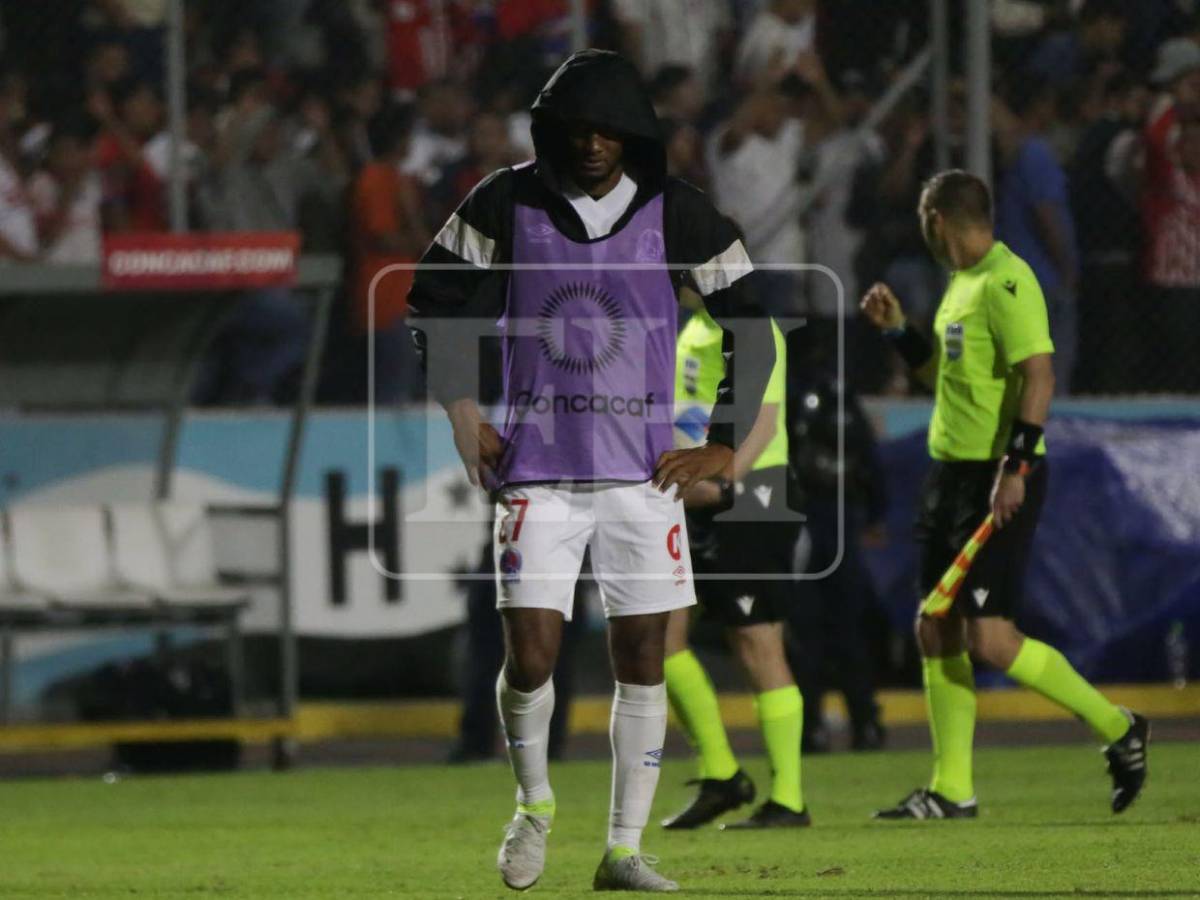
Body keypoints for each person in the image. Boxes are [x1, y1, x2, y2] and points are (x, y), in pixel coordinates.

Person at [408, 49, 774, 893]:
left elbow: (752, 323)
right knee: (532, 656)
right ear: (553, 132)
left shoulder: (678, 213)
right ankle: (533, 807)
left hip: (645, 480)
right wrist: (465, 414)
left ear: (635, 135)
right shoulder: (507, 199)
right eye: (579, 130)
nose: (595, 145)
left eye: (610, 130)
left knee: (642, 657)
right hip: (537, 472)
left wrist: (724, 441)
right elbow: (430, 301)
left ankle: (623, 850)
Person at [861, 170, 1149, 821]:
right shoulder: (962, 284)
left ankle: (1119, 727)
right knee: (935, 627)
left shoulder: (1008, 280)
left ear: (936, 216)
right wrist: (899, 330)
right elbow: (944, 376)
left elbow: (1039, 379)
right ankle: (951, 789)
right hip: (950, 475)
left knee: (990, 640)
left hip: (997, 477)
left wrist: (1015, 468)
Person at [661, 292, 809, 830]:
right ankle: (722, 774)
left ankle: (790, 799)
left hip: (754, 495)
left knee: (756, 640)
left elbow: (764, 422)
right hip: (698, 497)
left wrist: (722, 485)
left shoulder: (750, 321)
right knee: (659, 636)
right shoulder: (693, 329)